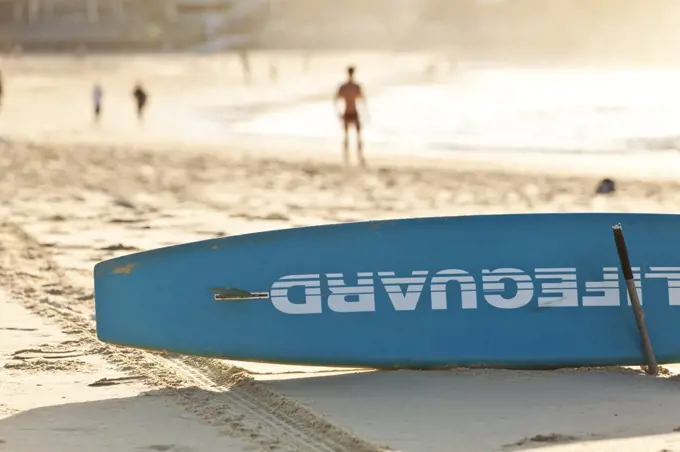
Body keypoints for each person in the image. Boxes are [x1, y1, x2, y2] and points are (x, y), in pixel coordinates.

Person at [334, 65, 367, 167]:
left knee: (348, 136)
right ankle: (356, 156)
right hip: (352, 112)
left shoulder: (344, 87)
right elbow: (362, 100)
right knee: (356, 136)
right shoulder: (355, 86)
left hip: (347, 112)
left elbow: (336, 100)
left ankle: (348, 157)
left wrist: (339, 113)